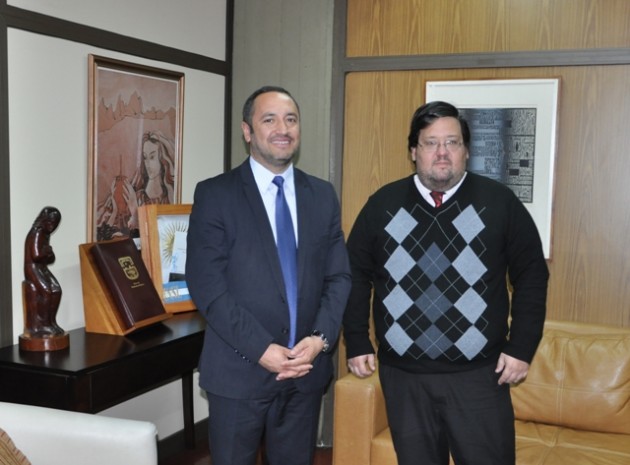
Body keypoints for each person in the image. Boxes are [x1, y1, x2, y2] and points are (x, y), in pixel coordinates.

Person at [343, 101, 549, 465]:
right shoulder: (384, 204)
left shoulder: (499, 203)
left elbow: (532, 274)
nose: (442, 153)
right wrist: (357, 339)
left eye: (452, 142)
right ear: (413, 151)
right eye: (430, 143)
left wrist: (521, 347)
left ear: (466, 151)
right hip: (404, 377)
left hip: (479, 377)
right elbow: (355, 272)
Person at [186, 86, 351, 465]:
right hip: (238, 374)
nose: (283, 128)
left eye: (291, 119)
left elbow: (338, 277)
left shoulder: (322, 195)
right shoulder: (216, 194)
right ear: (247, 131)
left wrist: (320, 340)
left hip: (305, 372)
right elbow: (208, 286)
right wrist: (261, 350)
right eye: (269, 119)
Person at [96, 130, 176, 240]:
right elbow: (107, 237)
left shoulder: (169, 196)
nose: (147, 164)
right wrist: (118, 209)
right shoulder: (136, 194)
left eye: (152, 157)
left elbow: (159, 239)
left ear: (162, 159)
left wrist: (134, 209)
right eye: (145, 157)